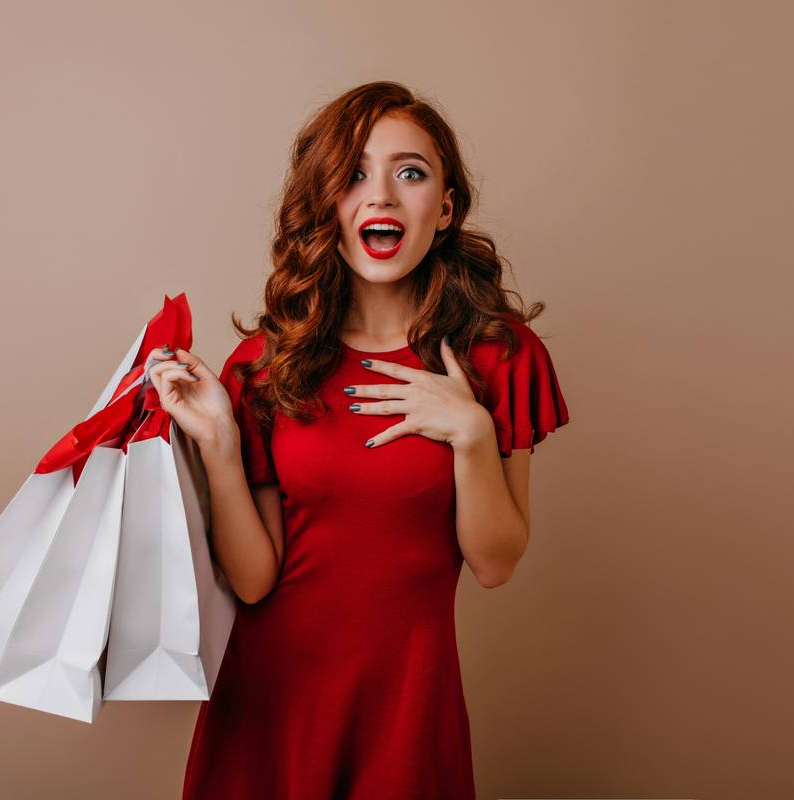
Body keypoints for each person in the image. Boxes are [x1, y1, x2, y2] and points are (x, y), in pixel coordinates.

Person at [144, 81, 570, 800]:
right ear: (328, 206)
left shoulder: (498, 356)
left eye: (410, 172)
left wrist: (470, 433)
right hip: (269, 713)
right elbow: (254, 581)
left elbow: (495, 563)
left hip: (407, 713)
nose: (381, 196)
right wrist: (219, 444)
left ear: (446, 208)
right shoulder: (267, 366)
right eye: (353, 175)